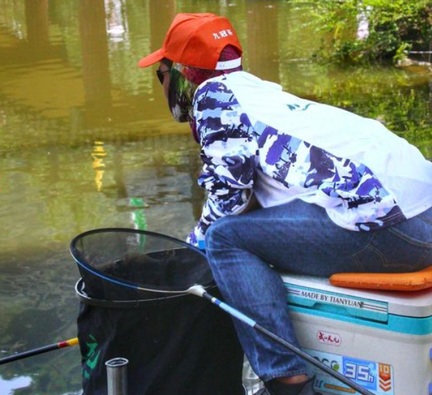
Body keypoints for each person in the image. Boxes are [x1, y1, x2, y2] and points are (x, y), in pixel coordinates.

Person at [138, 12, 432, 395]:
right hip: (419, 213)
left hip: (394, 228)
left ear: (182, 75)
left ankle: (287, 379)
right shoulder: (261, 92)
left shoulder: (213, 98)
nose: (161, 83)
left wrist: (185, 257)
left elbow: (228, 201)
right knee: (241, 233)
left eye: (161, 73)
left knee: (226, 240)